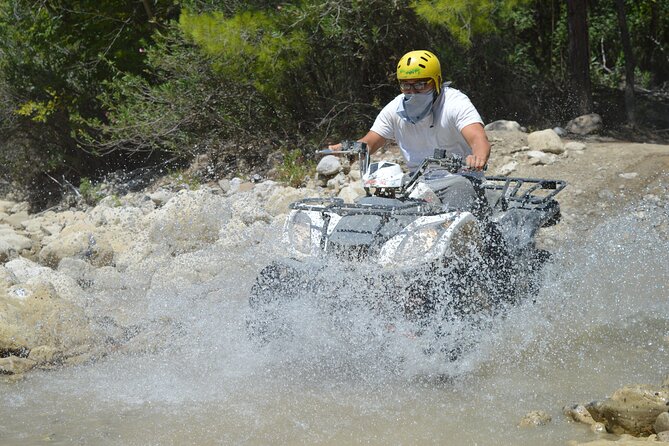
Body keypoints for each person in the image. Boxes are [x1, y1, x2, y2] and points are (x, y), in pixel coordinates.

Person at [329, 49, 491, 216]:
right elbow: (369, 143)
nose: (413, 91)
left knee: (459, 195)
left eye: (421, 84)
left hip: (458, 178)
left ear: (437, 81)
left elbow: (478, 137)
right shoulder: (395, 109)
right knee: (380, 201)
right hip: (416, 182)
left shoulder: (455, 102)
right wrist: (347, 151)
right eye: (406, 85)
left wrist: (477, 156)